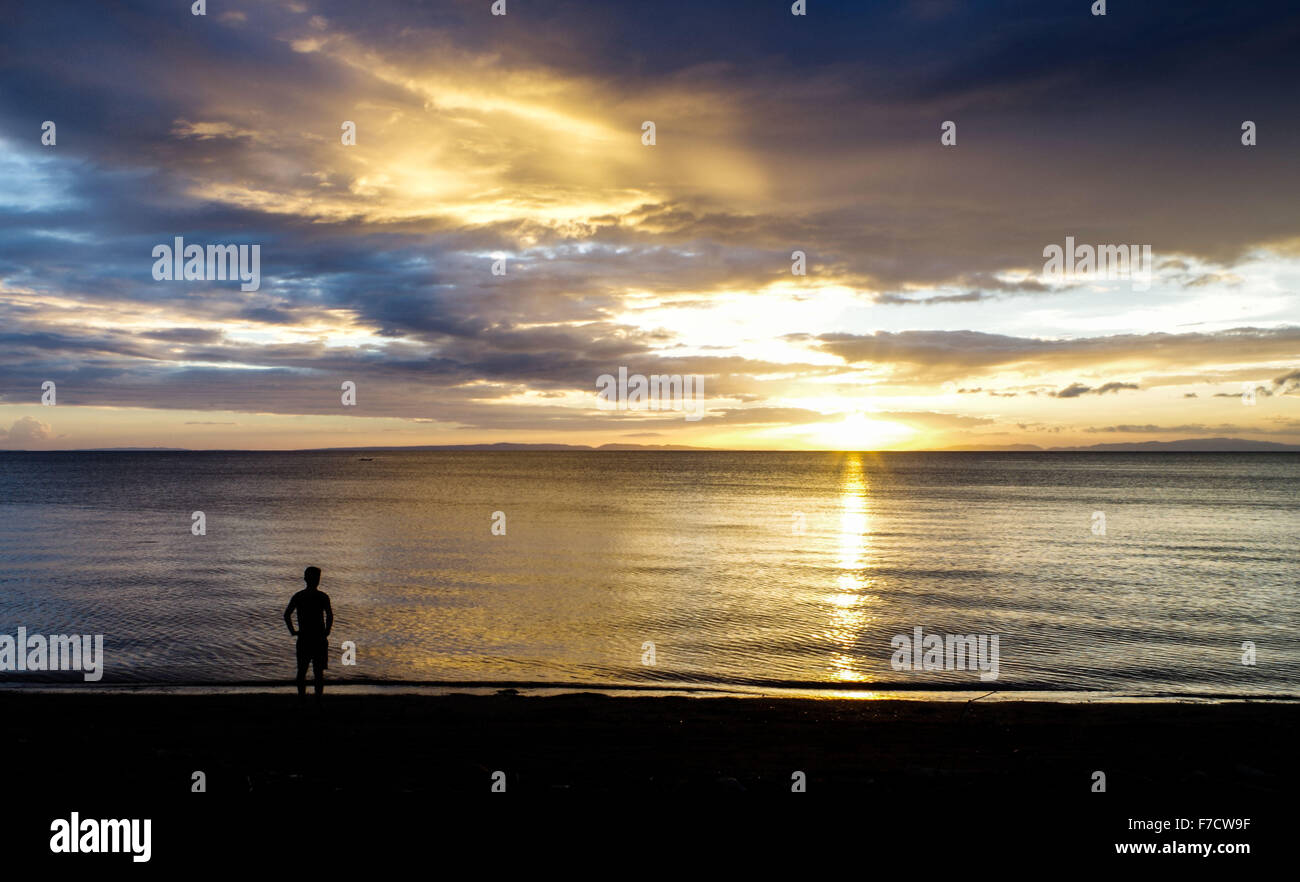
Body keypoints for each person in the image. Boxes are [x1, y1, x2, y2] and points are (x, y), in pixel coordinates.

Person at [283, 566, 333, 703]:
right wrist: (327, 631)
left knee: (302, 671)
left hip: (305, 638)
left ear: (305, 579)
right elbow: (329, 616)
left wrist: (293, 631)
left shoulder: (299, 596)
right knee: (318, 672)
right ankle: (317, 699)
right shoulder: (322, 597)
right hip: (318, 638)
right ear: (318, 580)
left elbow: (287, 615)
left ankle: (302, 698)